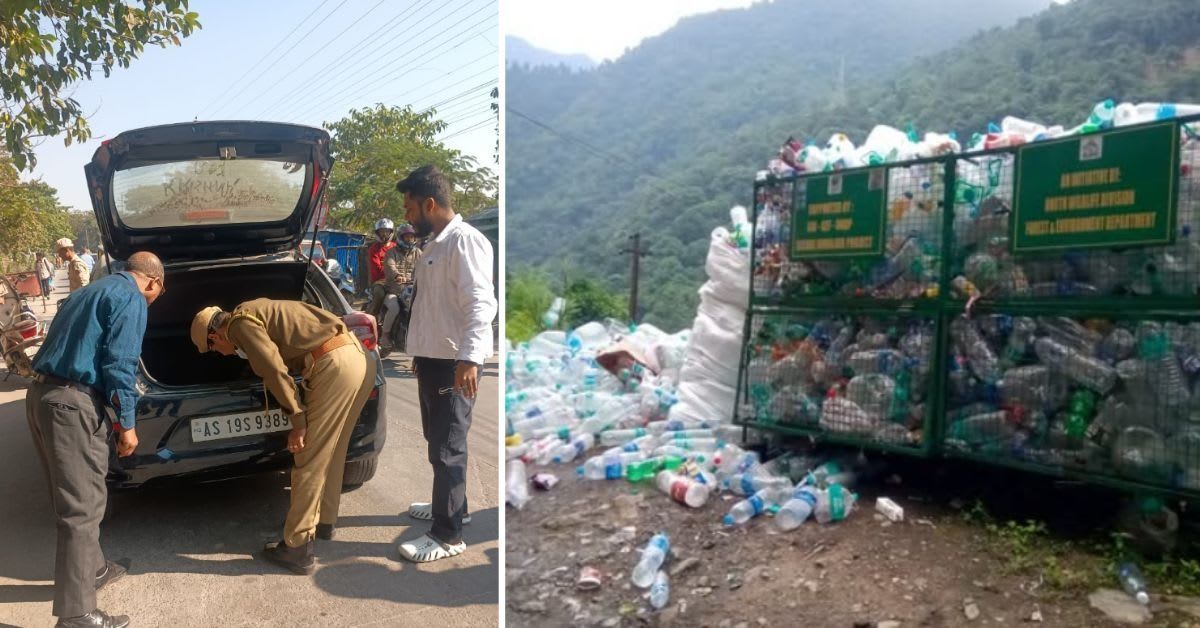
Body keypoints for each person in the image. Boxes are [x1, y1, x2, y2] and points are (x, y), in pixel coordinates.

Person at [26, 251, 166, 628]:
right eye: (157, 295)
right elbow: (119, 363)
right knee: (80, 512)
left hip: (41, 397)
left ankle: (96, 569)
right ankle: (76, 615)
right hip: (72, 403)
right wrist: (127, 423)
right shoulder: (132, 297)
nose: (152, 301)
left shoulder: (87, 292)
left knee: (77, 497)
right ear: (153, 281)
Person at [189, 298, 376, 574]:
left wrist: (297, 419)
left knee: (308, 458)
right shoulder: (253, 311)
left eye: (214, 347)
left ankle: (297, 548)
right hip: (359, 358)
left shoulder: (239, 325)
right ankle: (325, 521)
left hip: (334, 364)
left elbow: (274, 370)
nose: (222, 353)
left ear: (215, 334)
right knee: (333, 449)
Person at [394, 165, 496, 563]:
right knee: (438, 441)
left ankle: (447, 534)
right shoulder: (435, 243)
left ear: (429, 203)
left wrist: (470, 359)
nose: (406, 215)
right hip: (434, 359)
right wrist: (419, 352)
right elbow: (430, 308)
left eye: (409, 207)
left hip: (456, 362)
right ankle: (455, 507)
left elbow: (481, 304)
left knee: (449, 447)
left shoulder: (464, 242)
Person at [379, 224, 421, 351]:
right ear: (401, 238)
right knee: (394, 308)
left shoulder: (418, 252)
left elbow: (425, 265)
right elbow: (389, 266)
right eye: (407, 237)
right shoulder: (391, 252)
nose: (409, 239)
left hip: (412, 290)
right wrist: (397, 275)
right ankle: (385, 335)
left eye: (411, 237)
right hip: (394, 290)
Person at [365, 218, 397, 316]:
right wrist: (395, 273)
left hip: (398, 280)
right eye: (382, 231)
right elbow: (377, 269)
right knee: (379, 294)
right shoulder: (374, 249)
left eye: (386, 231)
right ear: (377, 233)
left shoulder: (396, 247)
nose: (384, 234)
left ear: (391, 232)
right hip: (380, 281)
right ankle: (372, 316)